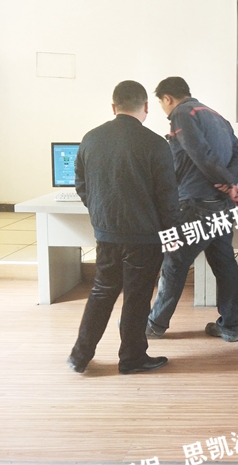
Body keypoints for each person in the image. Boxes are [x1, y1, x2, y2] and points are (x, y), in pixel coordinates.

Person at [68, 81, 180, 375]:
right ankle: (132, 359)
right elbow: (167, 197)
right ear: (146, 107)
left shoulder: (91, 139)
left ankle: (79, 356)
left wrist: (101, 215)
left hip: (106, 234)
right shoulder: (155, 144)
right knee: (137, 297)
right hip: (144, 237)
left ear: (113, 107)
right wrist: (171, 234)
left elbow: (81, 185)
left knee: (102, 292)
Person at [147, 76, 238, 343]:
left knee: (174, 263)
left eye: (161, 104)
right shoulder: (217, 116)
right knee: (225, 264)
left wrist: (227, 181)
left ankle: (154, 325)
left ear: (167, 98)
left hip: (195, 205)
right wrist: (230, 182)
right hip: (221, 205)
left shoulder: (182, 113)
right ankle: (230, 326)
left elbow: (199, 153)